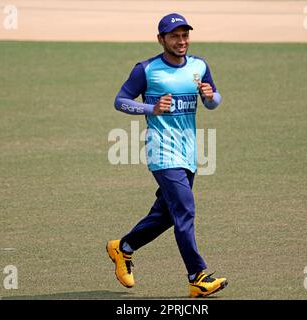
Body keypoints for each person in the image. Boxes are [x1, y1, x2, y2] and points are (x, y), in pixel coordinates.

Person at [107, 13, 227, 298]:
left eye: (185, 35)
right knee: (185, 211)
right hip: (162, 152)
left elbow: (215, 102)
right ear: (161, 39)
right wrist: (152, 109)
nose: (181, 41)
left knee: (166, 215)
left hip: (189, 152)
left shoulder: (199, 66)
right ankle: (197, 277)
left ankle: (123, 248)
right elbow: (120, 101)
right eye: (174, 36)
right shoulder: (147, 70)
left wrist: (210, 97)